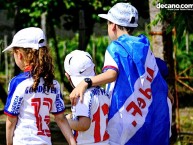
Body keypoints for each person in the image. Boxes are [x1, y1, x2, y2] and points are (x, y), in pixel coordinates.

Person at [69, 2, 170, 145]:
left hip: (123, 118)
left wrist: (86, 82)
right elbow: (156, 76)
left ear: (113, 25)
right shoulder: (143, 46)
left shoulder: (115, 47)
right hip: (146, 117)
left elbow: (111, 74)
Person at [3, 27, 76, 145]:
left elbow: (11, 120)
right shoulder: (54, 84)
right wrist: (73, 142)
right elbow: (61, 119)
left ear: (19, 54)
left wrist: (9, 143)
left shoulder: (18, 82)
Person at [64, 50, 110, 145]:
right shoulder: (103, 92)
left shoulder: (81, 94)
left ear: (67, 76)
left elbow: (83, 124)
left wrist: (65, 121)